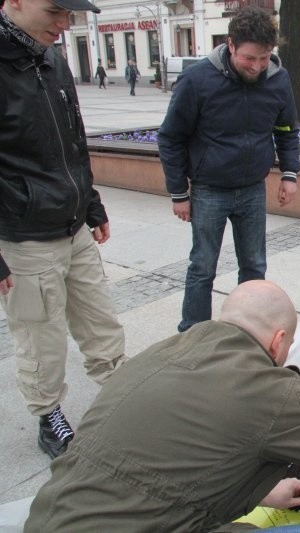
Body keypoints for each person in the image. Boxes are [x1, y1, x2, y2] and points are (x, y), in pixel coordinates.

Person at [25, 280, 300, 532]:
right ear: (278, 342)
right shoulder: (270, 391)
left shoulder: (159, 352)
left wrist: (261, 491)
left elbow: (175, 453)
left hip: (46, 519)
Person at [0, 0, 127, 459]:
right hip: (24, 236)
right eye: (56, 10)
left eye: (71, 13)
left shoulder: (52, 59)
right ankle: (48, 414)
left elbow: (74, 138)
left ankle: (122, 395)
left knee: (101, 321)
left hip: (73, 225)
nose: (65, 24)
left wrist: (91, 203)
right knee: (40, 337)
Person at [158, 6, 300, 333]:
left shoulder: (278, 79)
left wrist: (289, 173)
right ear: (231, 44)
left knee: (254, 266)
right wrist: (179, 192)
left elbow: (286, 130)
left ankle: (248, 333)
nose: (257, 66)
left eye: (264, 58)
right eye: (250, 58)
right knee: (203, 267)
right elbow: (171, 137)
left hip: (252, 188)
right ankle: (193, 334)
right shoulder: (197, 80)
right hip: (209, 190)